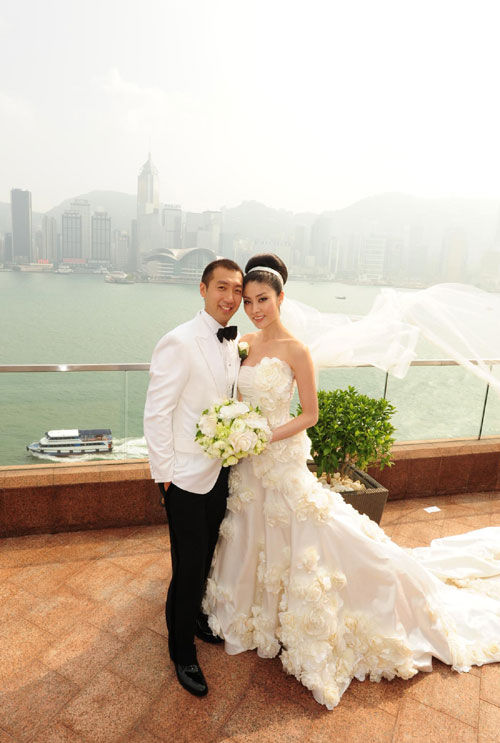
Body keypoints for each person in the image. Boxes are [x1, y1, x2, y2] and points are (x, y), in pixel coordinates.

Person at [203, 253, 500, 710]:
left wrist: (263, 435)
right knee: (249, 529)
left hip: (278, 456)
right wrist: (235, 429)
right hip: (248, 464)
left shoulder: (297, 351)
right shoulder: (243, 343)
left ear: (281, 299)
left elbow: (310, 414)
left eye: (263, 299)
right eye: (248, 301)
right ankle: (251, 612)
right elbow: (236, 397)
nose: (255, 308)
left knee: (304, 530)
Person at [144, 258, 243, 697]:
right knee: (187, 567)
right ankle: (182, 651)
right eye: (222, 287)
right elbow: (157, 413)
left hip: (219, 470)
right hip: (183, 477)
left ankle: (196, 618)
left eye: (237, 290)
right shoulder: (178, 341)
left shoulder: (231, 344)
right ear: (203, 289)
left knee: (204, 557)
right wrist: (165, 478)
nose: (230, 298)